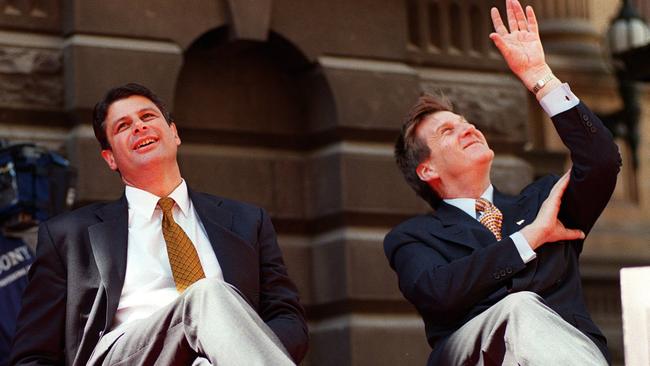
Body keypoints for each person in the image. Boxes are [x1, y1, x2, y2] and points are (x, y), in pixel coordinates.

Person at [384, 1, 620, 365]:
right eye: (449, 130)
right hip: (474, 354)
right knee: (519, 308)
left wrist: (541, 77)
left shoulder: (544, 201)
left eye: (466, 122)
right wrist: (530, 238)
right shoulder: (413, 238)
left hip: (569, 351)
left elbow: (603, 162)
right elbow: (437, 292)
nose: (469, 128)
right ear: (427, 169)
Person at [10, 83, 308, 365]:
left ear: (174, 133)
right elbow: (33, 353)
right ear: (110, 158)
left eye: (148, 116)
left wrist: (236, 349)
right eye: (123, 126)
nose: (139, 126)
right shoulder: (68, 237)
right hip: (124, 355)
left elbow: (288, 318)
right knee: (207, 294)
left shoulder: (247, 220)